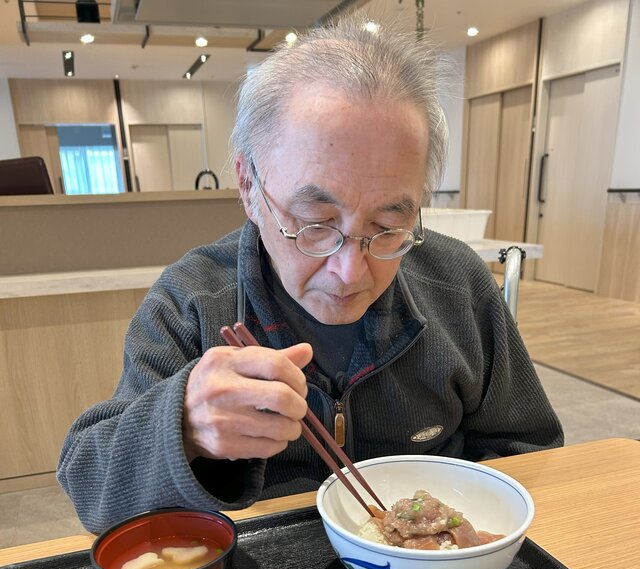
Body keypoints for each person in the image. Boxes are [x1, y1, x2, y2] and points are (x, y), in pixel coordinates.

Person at [57, 17, 563, 534]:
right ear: (248, 185)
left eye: (387, 227)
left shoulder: (458, 285)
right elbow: (91, 488)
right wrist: (183, 425)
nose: (349, 272)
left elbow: (531, 450)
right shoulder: (193, 302)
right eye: (317, 224)